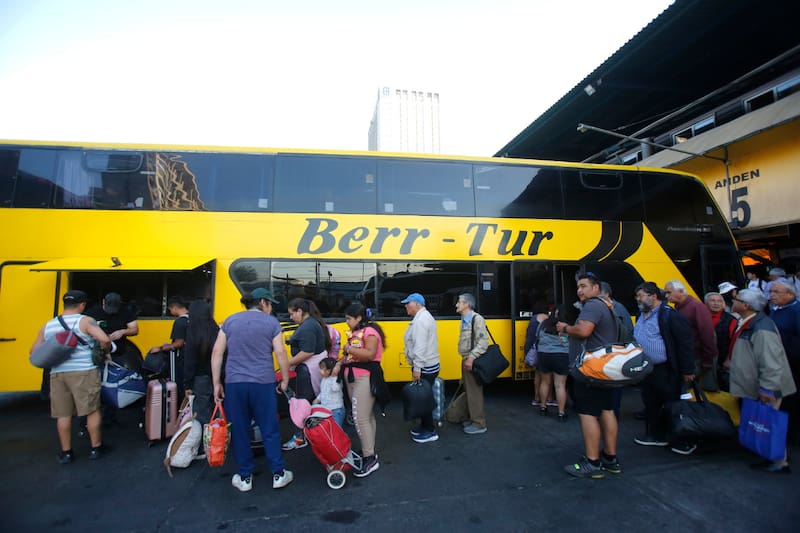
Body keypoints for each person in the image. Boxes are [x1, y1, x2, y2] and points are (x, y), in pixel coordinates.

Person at [211, 288, 293, 492]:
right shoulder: (271, 323)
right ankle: (278, 474)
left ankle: (245, 477)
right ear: (263, 303)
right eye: (271, 304)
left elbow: (217, 352)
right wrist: (284, 379)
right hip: (263, 383)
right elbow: (281, 352)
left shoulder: (229, 321)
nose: (271, 308)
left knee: (240, 430)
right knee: (269, 428)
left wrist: (216, 383)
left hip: (235, 384)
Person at [30, 290, 112, 464]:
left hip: (58, 373)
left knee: (63, 414)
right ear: (82, 305)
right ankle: (96, 448)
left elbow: (34, 351)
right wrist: (103, 351)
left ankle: (66, 452)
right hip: (84, 372)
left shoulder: (49, 325)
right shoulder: (85, 321)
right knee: (92, 410)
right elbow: (104, 339)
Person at [556, 273, 620, 478]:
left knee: (588, 414)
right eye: (578, 287)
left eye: (584, 286)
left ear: (596, 288)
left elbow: (583, 331)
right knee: (607, 411)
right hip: (607, 369)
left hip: (591, 371)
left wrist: (565, 328)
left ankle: (592, 463)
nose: (579, 290)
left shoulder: (593, 305)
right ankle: (610, 459)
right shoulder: (610, 305)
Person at [729, 288, 796, 473]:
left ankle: (779, 462)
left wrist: (768, 389)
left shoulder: (761, 327)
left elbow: (771, 361)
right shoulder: (749, 322)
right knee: (763, 422)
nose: (732, 300)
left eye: (736, 299)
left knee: (769, 423)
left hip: (767, 387)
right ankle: (769, 454)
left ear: (746, 305)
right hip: (756, 385)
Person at [631, 282, 695, 450]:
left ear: (653, 296)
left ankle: (683, 440)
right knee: (651, 403)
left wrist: (688, 370)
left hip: (665, 370)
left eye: (641, 296)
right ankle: (656, 435)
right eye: (637, 296)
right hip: (647, 369)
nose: (638, 299)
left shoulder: (669, 315)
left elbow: (685, 343)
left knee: (672, 404)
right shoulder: (641, 315)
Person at [336, 302, 389, 478]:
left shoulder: (370, 332)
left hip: (364, 378)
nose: (347, 322)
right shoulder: (357, 333)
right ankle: (369, 449)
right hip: (354, 377)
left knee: (360, 419)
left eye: (349, 318)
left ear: (359, 318)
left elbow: (370, 354)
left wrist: (349, 349)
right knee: (366, 417)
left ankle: (370, 457)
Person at [85, 291, 141, 428]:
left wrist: (122, 332)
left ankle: (110, 418)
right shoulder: (93, 312)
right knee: (93, 387)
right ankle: (87, 421)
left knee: (114, 385)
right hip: (96, 355)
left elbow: (135, 329)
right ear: (103, 302)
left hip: (117, 354)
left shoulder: (126, 312)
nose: (111, 313)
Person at [282, 298, 331, 451]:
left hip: (308, 372)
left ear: (300, 311)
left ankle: (300, 437)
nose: (291, 317)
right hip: (309, 370)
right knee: (309, 403)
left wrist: (288, 363)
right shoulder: (310, 324)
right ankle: (310, 434)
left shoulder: (308, 327)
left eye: (292, 314)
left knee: (302, 404)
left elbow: (307, 351)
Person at [401, 292, 441, 443]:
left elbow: (420, 347)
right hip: (427, 365)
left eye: (408, 303)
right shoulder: (422, 318)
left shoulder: (421, 321)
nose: (406, 305)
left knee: (423, 399)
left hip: (425, 367)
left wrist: (417, 368)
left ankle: (430, 431)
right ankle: (425, 426)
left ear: (417, 304)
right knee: (423, 397)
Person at [664, 280, 718, 388]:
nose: (666, 296)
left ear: (680, 291)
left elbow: (707, 334)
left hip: (697, 358)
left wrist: (707, 360)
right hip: (689, 356)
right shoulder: (680, 307)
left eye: (669, 292)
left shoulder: (696, 307)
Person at [766, 281, 800, 446]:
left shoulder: (795, 311)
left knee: (792, 400)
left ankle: (792, 436)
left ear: (790, 294)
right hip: (781, 364)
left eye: (777, 292)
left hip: (793, 365)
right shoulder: (777, 310)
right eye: (771, 291)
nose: (772, 295)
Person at [532, 305, 573, 421]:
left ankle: (543, 407)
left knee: (545, 382)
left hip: (544, 355)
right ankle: (561, 413)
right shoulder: (565, 326)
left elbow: (537, 337)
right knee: (560, 385)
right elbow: (566, 343)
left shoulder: (543, 324)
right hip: (560, 356)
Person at [456, 293, 489, 435]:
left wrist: (471, 358)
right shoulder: (464, 319)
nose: (456, 304)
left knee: (474, 392)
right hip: (466, 359)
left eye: (459, 302)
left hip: (472, 361)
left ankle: (479, 424)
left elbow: (483, 342)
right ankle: (472, 418)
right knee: (467, 390)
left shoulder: (477, 319)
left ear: (466, 304)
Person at [183, 300, 218, 430]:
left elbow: (190, 361)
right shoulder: (215, 329)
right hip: (217, 377)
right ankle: (218, 441)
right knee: (217, 409)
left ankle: (205, 445)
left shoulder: (193, 331)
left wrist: (187, 384)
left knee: (201, 414)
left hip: (199, 379)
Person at [705, 291, 737, 391]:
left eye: (719, 301)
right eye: (712, 301)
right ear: (706, 303)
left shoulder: (731, 320)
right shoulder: (701, 317)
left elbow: (734, 341)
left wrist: (729, 359)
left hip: (723, 359)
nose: (716, 303)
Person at [314, 358, 345, 427]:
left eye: (322, 369)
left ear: (329, 371)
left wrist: (334, 376)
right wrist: (317, 399)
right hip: (326, 409)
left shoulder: (336, 380)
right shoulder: (324, 379)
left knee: (336, 428)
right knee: (329, 428)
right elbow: (323, 391)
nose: (320, 371)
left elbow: (335, 389)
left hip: (336, 410)